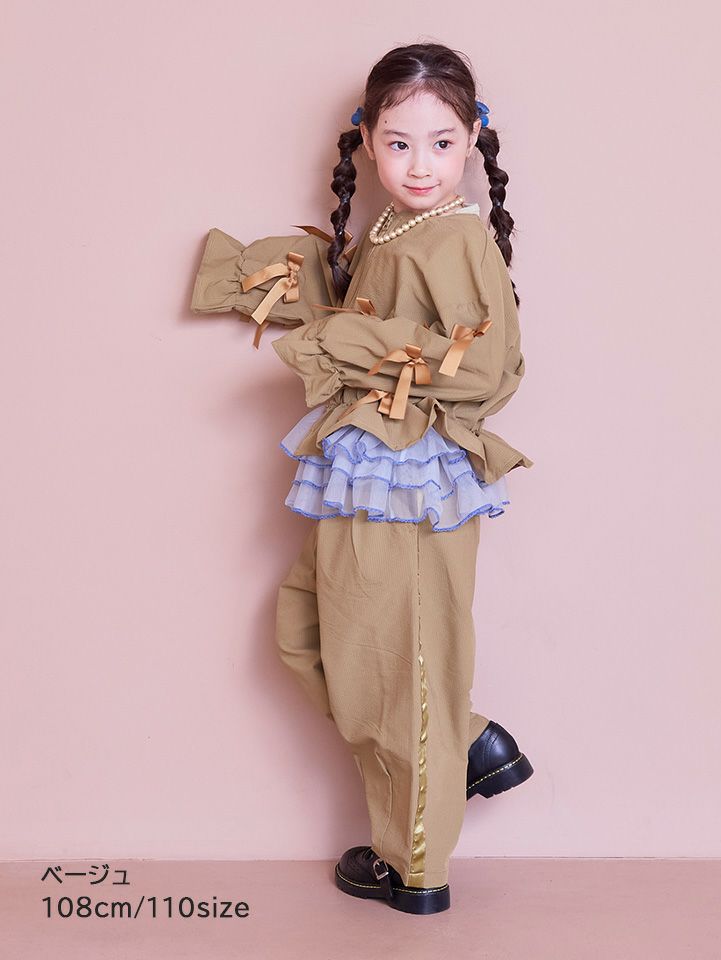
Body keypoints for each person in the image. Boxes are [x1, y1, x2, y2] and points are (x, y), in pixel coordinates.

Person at [190, 41, 535, 915]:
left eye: (442, 143)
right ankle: (465, 742)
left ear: (472, 141)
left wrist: (344, 341)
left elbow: (487, 367)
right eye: (399, 143)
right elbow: (372, 309)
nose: (420, 165)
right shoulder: (393, 228)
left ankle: (415, 866)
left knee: (401, 665)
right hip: (365, 468)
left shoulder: (458, 237)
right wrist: (271, 284)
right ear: (368, 140)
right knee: (311, 634)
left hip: (413, 483)